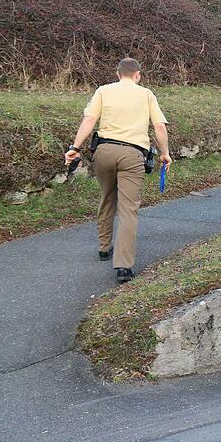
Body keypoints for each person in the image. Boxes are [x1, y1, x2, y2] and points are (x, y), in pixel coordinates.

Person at [64, 58, 171, 284]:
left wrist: (74, 147)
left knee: (107, 197)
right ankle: (123, 266)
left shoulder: (104, 91)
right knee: (128, 209)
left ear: (117, 73)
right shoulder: (146, 94)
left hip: (103, 151)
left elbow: (89, 120)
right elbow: (159, 126)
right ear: (138, 75)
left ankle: (104, 248)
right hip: (133, 155)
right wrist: (165, 153)